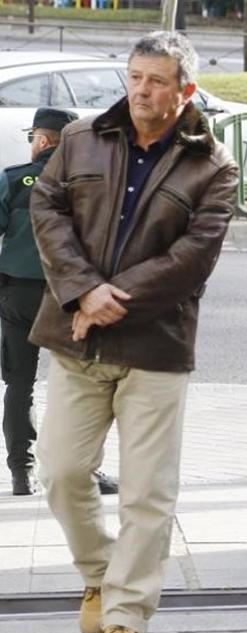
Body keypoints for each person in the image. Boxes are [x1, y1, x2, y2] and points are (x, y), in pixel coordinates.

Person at [29, 31, 237, 633]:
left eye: (157, 81)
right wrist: (81, 291)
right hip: (76, 339)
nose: (142, 90)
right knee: (61, 473)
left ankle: (124, 616)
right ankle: (99, 573)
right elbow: (47, 205)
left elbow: (192, 258)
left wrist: (108, 296)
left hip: (156, 346)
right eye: (135, 77)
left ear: (186, 90)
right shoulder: (80, 137)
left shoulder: (215, 165)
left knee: (148, 492)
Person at [0, 107, 120, 498]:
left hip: (19, 294)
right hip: (75, 299)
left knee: (20, 384)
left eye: (33, 136)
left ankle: (22, 471)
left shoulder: (15, 180)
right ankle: (82, 471)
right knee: (83, 386)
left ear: (44, 140)